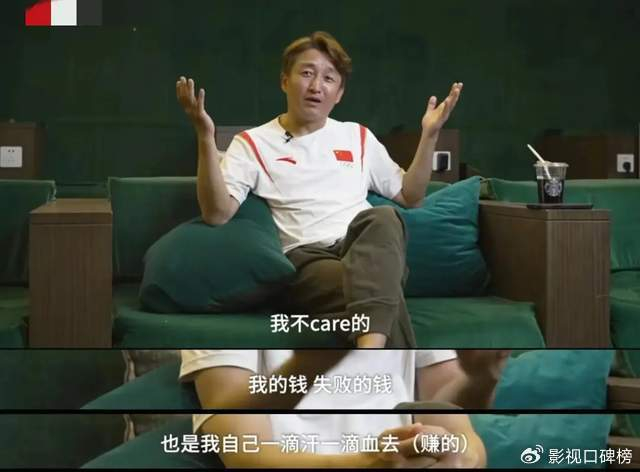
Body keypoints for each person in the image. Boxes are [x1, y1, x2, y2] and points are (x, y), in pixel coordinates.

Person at [176, 31, 463, 349]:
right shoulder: (253, 142)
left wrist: (430, 135)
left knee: (383, 218)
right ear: (285, 81)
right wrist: (205, 137)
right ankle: (382, 365)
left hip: (365, 251)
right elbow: (217, 213)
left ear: (339, 93)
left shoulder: (358, 137)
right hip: (306, 261)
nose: (316, 86)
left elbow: (410, 196)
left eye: (328, 78)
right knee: (380, 289)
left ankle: (371, 359)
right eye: (307, 73)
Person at [179, 349, 510, 468]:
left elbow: (457, 426)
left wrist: (482, 377)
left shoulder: (398, 300)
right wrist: (369, 463)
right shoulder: (226, 311)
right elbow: (243, 452)